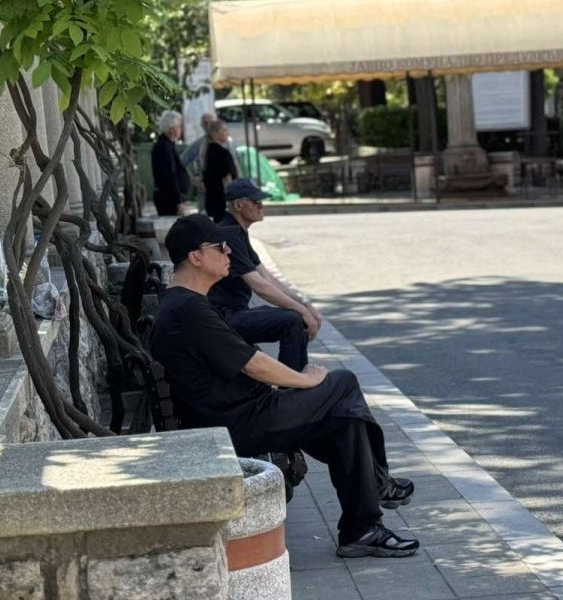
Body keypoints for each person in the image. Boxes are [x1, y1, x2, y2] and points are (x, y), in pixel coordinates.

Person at [151, 214, 420, 558]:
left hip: (240, 414)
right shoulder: (188, 310)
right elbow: (254, 364)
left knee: (346, 421)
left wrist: (296, 387)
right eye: (221, 246)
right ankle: (379, 483)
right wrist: (305, 380)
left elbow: (243, 361)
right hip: (241, 422)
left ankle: (362, 529)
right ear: (196, 257)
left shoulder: (184, 303)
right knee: (343, 383)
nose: (229, 251)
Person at [209, 179, 322, 372]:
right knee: (293, 321)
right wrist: (302, 311)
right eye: (255, 202)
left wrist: (304, 304)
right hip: (222, 319)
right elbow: (259, 286)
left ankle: (294, 380)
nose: (261, 206)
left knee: (295, 315)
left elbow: (268, 279)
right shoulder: (229, 233)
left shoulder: (238, 232)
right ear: (238, 205)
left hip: (233, 313)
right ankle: (293, 385)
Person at [151, 110, 188, 216]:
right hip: (169, 199)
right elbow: (169, 176)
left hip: (171, 197)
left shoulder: (168, 145)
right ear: (171, 128)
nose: (181, 129)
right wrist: (178, 202)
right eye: (179, 126)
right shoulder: (164, 147)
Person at [202, 119, 239, 222]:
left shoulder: (207, 151)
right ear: (216, 133)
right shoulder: (221, 153)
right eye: (224, 130)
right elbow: (226, 179)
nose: (227, 133)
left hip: (211, 198)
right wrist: (232, 200)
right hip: (222, 199)